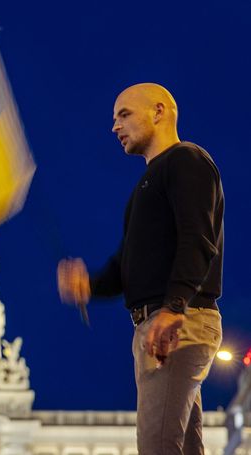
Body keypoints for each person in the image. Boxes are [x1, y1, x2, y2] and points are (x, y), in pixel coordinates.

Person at [57, 83, 224, 454]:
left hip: (177, 323)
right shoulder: (147, 185)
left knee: (158, 446)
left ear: (159, 112)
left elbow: (198, 239)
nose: (114, 127)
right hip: (161, 323)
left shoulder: (186, 161)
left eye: (124, 114)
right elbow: (126, 266)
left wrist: (174, 307)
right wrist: (90, 285)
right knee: (181, 447)